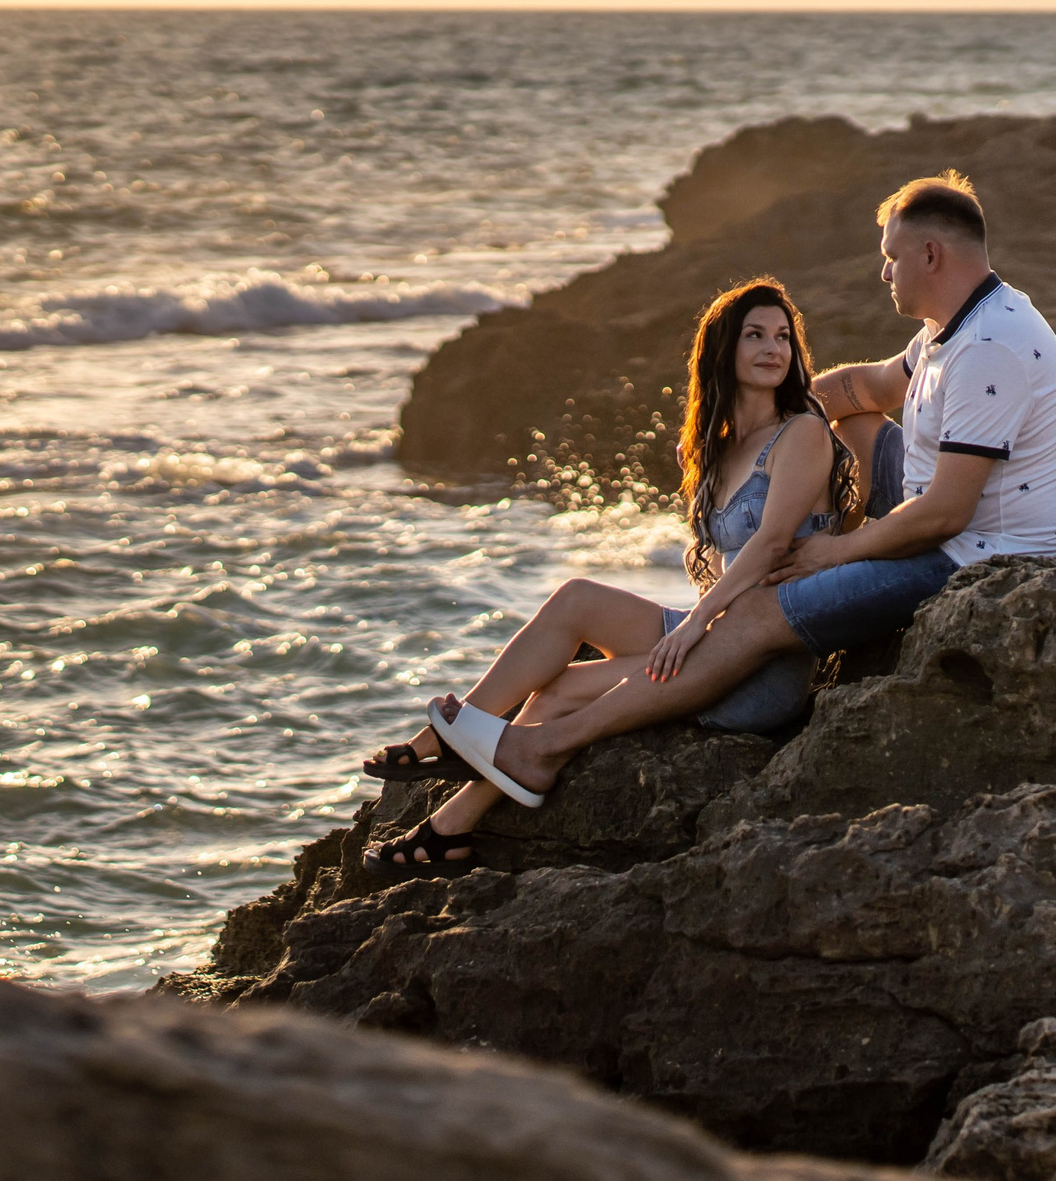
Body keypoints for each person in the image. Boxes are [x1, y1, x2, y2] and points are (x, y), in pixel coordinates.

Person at [359, 277, 901, 875]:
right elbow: (721, 560)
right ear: (723, 349)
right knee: (574, 599)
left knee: (561, 690)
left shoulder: (800, 432)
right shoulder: (714, 451)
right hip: (716, 630)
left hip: (760, 665)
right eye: (755, 335)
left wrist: (693, 624)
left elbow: (772, 544)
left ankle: (448, 822)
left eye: (783, 337)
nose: (774, 348)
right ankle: (443, 766)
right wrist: (698, 619)